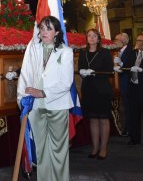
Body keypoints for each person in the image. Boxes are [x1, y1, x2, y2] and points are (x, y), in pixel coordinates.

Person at [17, 16, 74, 180]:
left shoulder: (66, 52)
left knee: (59, 151)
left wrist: (42, 92)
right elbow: (26, 74)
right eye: (41, 28)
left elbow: (65, 83)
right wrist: (24, 96)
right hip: (36, 107)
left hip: (57, 105)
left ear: (56, 32)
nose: (44, 32)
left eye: (48, 28)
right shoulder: (33, 50)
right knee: (41, 150)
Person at [78, 28, 113, 159]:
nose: (91, 38)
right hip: (88, 89)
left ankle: (104, 148)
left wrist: (94, 72)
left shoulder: (105, 53)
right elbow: (80, 68)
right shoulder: (83, 52)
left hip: (102, 89)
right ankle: (95, 147)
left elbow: (109, 70)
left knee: (103, 119)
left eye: (94, 36)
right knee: (93, 119)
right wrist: (82, 71)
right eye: (89, 36)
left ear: (98, 39)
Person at [113, 32, 132, 137]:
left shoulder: (130, 51)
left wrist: (121, 64)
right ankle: (124, 126)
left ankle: (129, 128)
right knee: (123, 107)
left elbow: (129, 66)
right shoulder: (118, 51)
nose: (114, 42)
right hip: (119, 83)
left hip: (126, 83)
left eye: (116, 40)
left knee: (128, 107)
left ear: (123, 41)